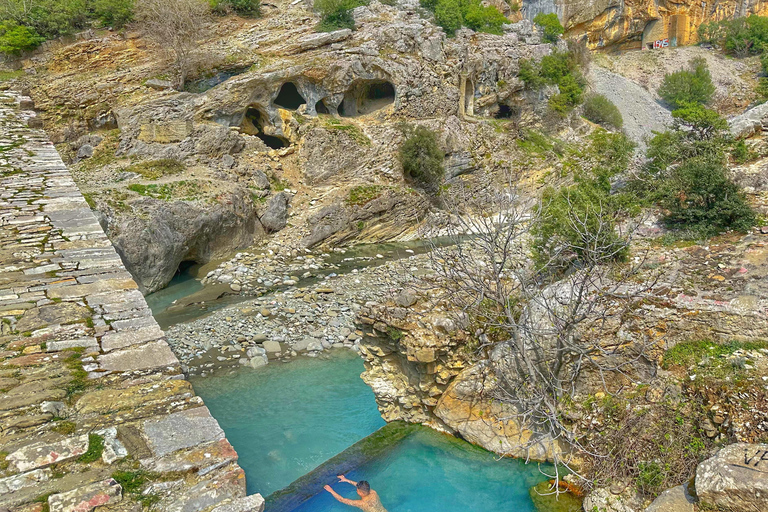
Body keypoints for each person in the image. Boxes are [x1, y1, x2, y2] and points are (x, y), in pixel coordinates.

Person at [324, 474, 388, 511]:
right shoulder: (373, 492)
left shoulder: (361, 503)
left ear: (361, 493)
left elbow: (342, 500)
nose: (356, 490)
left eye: (357, 490)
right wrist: (346, 480)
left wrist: (331, 491)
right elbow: (362, 487)